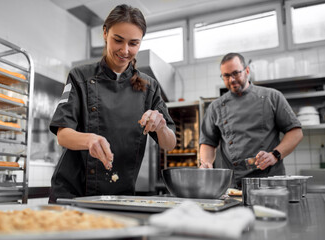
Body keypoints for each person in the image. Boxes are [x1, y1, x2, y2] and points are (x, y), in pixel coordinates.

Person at [48, 4, 176, 202]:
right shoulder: (80, 77)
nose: (125, 50)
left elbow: (170, 144)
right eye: (118, 40)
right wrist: (89, 140)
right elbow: (63, 135)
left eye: (133, 43)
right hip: (73, 192)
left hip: (120, 195)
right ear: (105, 33)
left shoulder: (149, 87)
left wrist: (160, 126)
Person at [199, 52, 303, 187]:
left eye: (236, 73)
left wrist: (274, 155)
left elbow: (296, 132)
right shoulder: (215, 107)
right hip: (232, 184)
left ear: (247, 71)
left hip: (269, 182)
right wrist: (206, 163)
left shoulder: (272, 97)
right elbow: (208, 142)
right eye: (226, 76)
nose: (231, 79)